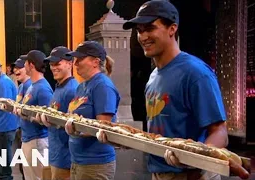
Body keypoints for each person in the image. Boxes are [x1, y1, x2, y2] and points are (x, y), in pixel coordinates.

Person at [98, 1, 228, 180]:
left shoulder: (195, 73)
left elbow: (220, 132)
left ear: (172, 28)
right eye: (140, 30)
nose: (143, 36)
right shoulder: (153, 77)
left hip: (193, 176)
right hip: (159, 173)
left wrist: (194, 161)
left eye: (150, 28)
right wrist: (123, 139)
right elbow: (159, 135)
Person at [63, 41, 120, 180]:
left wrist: (78, 130)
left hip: (95, 163)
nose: (75, 64)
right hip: (78, 160)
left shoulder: (103, 86)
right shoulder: (81, 86)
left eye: (80, 59)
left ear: (95, 62)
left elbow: (104, 126)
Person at [36, 46, 78, 180]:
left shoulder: (72, 90)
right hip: (55, 153)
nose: (53, 67)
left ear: (70, 64)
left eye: (57, 63)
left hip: (65, 158)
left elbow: (74, 125)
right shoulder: (59, 87)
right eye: (51, 64)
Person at [13, 50, 53, 180]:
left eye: (25, 62)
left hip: (38, 140)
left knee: (38, 176)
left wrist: (26, 115)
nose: (22, 66)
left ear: (30, 65)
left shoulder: (43, 88)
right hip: (28, 138)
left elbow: (48, 120)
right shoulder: (32, 86)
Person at [11, 57, 32, 180]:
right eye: (15, 68)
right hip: (20, 129)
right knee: (22, 166)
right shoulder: (21, 86)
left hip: (30, 134)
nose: (16, 70)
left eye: (19, 68)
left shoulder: (31, 86)